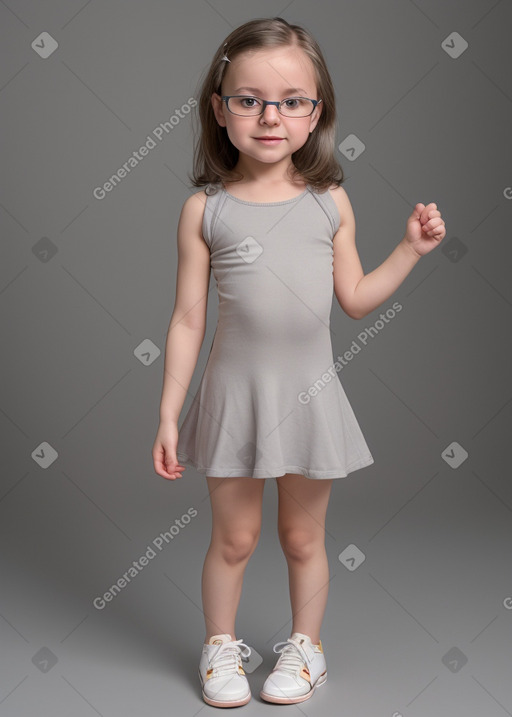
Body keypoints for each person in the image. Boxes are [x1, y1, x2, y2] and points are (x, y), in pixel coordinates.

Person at [152, 16, 446, 709]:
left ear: (317, 113)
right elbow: (189, 317)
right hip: (232, 396)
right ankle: (220, 645)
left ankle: (306, 647)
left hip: (310, 396)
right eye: (249, 98)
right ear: (220, 109)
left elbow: (355, 299)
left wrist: (408, 251)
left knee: (300, 535)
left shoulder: (328, 202)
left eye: (291, 101)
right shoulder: (204, 210)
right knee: (235, 536)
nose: (270, 116)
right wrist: (168, 411)